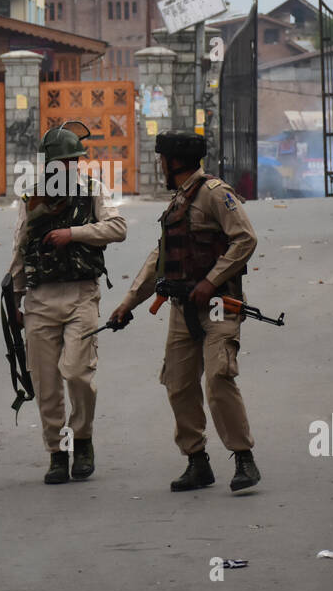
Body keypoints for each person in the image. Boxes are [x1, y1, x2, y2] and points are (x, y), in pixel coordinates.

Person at [107, 131, 261, 493]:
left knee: (219, 378)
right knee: (177, 384)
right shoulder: (178, 201)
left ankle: (243, 458)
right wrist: (128, 304)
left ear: (174, 161)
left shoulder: (214, 193)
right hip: (181, 308)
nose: (159, 164)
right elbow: (160, 259)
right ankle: (197, 461)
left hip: (219, 305)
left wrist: (211, 280)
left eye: (162, 158)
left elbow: (245, 238)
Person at [7, 123, 127, 484]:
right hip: (40, 298)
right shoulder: (32, 197)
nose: (70, 167)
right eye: (64, 161)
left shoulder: (93, 191)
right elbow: (20, 246)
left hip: (81, 295)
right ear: (49, 164)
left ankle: (83, 439)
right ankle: (58, 453)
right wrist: (14, 298)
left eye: (74, 161)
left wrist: (73, 234)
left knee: (77, 373)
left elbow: (117, 227)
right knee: (45, 383)